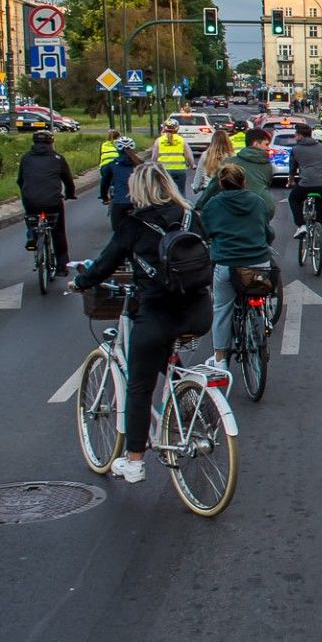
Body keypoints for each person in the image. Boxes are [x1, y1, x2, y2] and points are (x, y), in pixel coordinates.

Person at [69, 163, 213, 484]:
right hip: (198, 312)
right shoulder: (191, 216)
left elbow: (105, 264)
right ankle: (185, 394)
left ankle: (134, 461)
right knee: (166, 356)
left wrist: (81, 282)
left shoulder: (133, 225)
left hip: (158, 315)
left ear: (138, 190)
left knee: (138, 385)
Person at [196, 161, 275, 376]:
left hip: (228, 264)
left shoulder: (213, 205)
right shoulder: (257, 202)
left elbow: (206, 232)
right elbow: (268, 232)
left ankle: (220, 359)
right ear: (244, 182)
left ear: (221, 183)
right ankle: (263, 316)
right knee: (260, 290)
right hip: (259, 263)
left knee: (222, 310)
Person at [18, 130, 76, 278]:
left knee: (31, 217)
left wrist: (26, 192)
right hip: (52, 201)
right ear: (51, 142)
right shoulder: (58, 158)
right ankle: (62, 267)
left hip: (30, 199)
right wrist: (70, 194)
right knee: (58, 231)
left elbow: (20, 180)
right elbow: (68, 180)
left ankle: (32, 235)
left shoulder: (26, 158)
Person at [195, 125, 276, 217]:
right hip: (261, 210)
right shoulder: (267, 166)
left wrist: (199, 206)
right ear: (256, 144)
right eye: (266, 144)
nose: (268, 148)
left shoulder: (229, 163)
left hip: (233, 210)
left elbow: (213, 188)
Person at [286, 122, 322, 246]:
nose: (295, 138)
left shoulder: (296, 149)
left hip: (307, 182)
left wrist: (291, 181)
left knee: (293, 199)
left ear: (300, 136)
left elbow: (293, 168)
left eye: (295, 135)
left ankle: (301, 225)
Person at [102, 137, 141, 226]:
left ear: (117, 149)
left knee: (117, 231)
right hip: (139, 202)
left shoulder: (112, 165)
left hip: (119, 202)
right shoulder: (140, 164)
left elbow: (104, 183)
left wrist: (104, 197)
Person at [196, 128, 235, 197]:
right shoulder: (232, 155)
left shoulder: (206, 154)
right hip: (226, 190)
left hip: (208, 190)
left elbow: (199, 172)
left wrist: (196, 187)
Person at [97, 129, 122, 205]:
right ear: (118, 137)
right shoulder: (120, 144)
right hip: (116, 165)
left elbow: (101, 156)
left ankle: (104, 197)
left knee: (104, 180)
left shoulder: (103, 145)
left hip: (104, 166)